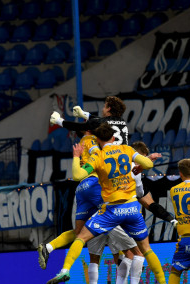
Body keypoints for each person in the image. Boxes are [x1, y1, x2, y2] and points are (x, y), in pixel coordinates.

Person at [45, 122, 169, 284]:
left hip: (110, 210)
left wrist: (76, 157)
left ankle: (65, 270)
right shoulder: (126, 149)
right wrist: (139, 166)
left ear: (98, 140)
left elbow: (78, 175)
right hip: (131, 208)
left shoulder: (98, 156)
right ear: (113, 137)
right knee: (145, 249)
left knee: (81, 238)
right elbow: (149, 163)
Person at [38, 96, 129, 269]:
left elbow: (94, 122)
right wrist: (68, 120)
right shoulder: (106, 135)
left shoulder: (83, 142)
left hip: (82, 188)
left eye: (104, 106)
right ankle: (122, 257)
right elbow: (93, 124)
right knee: (115, 217)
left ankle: (48, 247)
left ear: (108, 108)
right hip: (100, 182)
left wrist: (63, 121)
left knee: (79, 232)